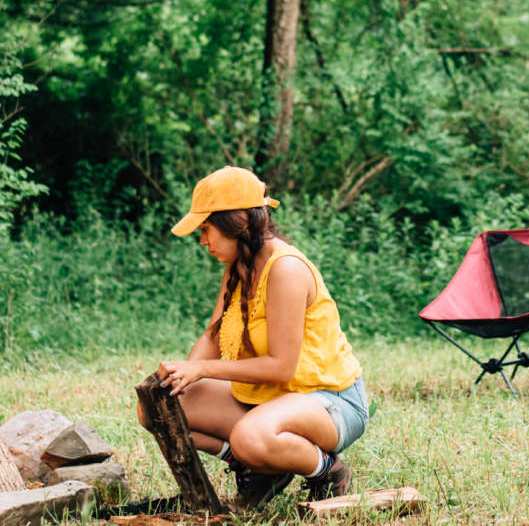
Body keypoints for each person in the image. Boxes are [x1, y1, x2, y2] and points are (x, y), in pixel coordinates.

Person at [140, 166, 368, 505]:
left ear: (236, 223)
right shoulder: (239, 265)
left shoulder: (286, 269)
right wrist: (181, 378)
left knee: (250, 437)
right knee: (157, 409)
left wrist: (203, 371)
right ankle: (259, 468)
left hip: (328, 400)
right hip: (269, 396)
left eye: (206, 229)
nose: (203, 241)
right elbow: (213, 337)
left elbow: (281, 368)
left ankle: (327, 470)